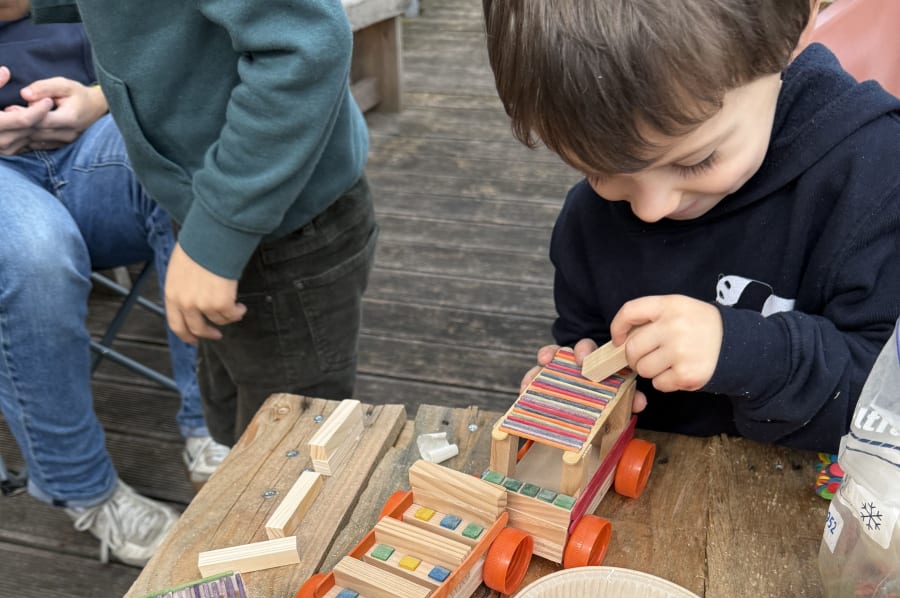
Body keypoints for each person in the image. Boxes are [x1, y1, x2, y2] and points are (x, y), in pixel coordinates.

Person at [482, 0, 900, 452]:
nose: (651, 209)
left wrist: (740, 352)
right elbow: (587, 337)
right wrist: (584, 386)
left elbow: (884, 403)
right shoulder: (587, 223)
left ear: (794, 27)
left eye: (696, 161)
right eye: (600, 172)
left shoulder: (876, 178)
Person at [30, 0, 379, 448]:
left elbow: (306, 45)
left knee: (289, 455)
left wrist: (216, 234)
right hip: (219, 208)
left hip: (281, 230)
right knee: (236, 426)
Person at [0, 3, 231, 565]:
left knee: (192, 161)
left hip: (96, 136)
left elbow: (173, 52)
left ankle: (215, 426)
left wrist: (99, 98)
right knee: (35, 256)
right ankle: (83, 488)